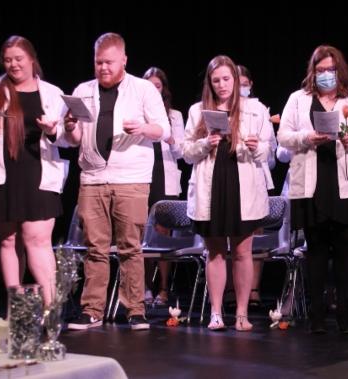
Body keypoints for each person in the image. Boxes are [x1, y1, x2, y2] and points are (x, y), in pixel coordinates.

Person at [64, 33, 171, 331]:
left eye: (109, 62)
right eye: (98, 62)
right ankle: (92, 310)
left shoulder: (143, 89)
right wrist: (70, 127)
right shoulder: (83, 90)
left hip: (131, 178)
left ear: (124, 59)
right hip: (93, 178)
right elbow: (72, 140)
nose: (103, 68)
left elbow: (162, 129)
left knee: (130, 246)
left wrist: (143, 127)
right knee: (95, 247)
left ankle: (135, 310)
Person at [278, 45, 348, 334]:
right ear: (313, 72)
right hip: (313, 184)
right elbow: (283, 135)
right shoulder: (298, 100)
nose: (325, 75)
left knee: (346, 252)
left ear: (340, 71)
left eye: (330, 70)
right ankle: (317, 316)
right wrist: (308, 137)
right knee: (317, 252)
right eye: (320, 70)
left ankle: (345, 314)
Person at [0, 35, 67, 306]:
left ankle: (50, 306)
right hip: (2, 175)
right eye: (8, 60)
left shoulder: (52, 93)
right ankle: (17, 306)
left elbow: (68, 137)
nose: (13, 64)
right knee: (9, 241)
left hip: (38, 173)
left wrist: (53, 130)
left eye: (18, 59)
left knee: (37, 240)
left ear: (32, 59)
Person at [183, 55, 271, 331]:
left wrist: (257, 146)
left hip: (241, 182)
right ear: (210, 82)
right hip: (212, 186)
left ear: (235, 79)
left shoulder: (255, 109)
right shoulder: (198, 110)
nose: (221, 85)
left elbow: (268, 150)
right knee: (216, 252)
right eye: (216, 80)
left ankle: (242, 314)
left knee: (243, 252)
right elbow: (185, 153)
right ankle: (217, 313)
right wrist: (204, 143)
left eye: (226, 79)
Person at [142, 66, 186, 306]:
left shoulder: (175, 116)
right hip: (143, 175)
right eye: (149, 87)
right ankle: (144, 287)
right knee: (143, 234)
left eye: (157, 87)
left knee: (163, 233)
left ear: (163, 90)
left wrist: (169, 137)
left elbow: (181, 151)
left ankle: (163, 288)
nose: (153, 91)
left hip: (166, 175)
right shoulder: (137, 114)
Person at [235, 64, 276, 308]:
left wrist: (257, 147)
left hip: (256, 179)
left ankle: (253, 289)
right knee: (231, 240)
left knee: (254, 239)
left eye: (244, 83)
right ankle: (232, 290)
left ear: (250, 84)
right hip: (231, 178)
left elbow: (270, 157)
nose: (240, 88)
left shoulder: (260, 111)